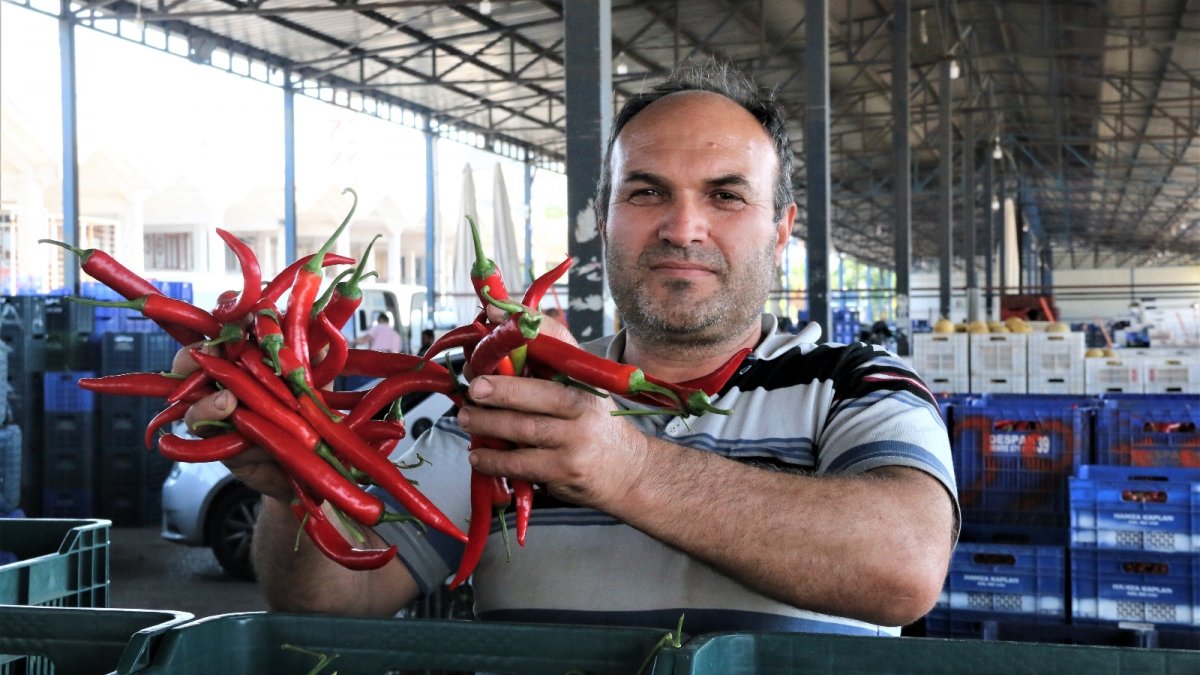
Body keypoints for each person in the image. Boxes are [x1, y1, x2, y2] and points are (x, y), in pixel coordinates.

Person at [180, 60, 957, 636]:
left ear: (781, 228)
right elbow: (326, 599)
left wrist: (624, 465)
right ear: (602, 216)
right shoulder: (501, 393)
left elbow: (904, 566)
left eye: (725, 195)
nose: (683, 227)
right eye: (646, 191)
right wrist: (296, 490)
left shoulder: (857, 387)